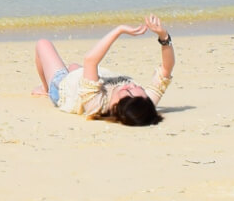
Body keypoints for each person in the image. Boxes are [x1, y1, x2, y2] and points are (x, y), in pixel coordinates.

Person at [34, 14, 173, 126]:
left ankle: (46, 89)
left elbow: (90, 60)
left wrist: (119, 30)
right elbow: (166, 69)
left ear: (120, 106)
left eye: (129, 90)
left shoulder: (96, 105)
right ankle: (69, 73)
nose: (130, 85)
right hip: (80, 80)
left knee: (43, 44)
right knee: (74, 67)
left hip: (62, 88)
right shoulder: (142, 105)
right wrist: (164, 36)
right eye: (138, 87)